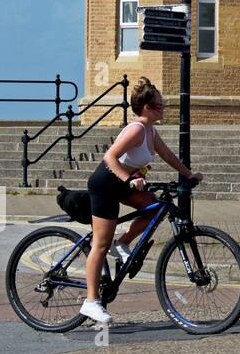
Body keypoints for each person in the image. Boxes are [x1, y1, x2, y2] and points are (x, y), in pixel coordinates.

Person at [81, 77, 202, 325]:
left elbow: (167, 154)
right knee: (100, 244)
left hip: (124, 182)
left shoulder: (150, 130)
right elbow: (110, 157)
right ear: (146, 107)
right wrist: (129, 179)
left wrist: (188, 174)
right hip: (106, 184)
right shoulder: (136, 129)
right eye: (159, 105)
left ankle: (123, 243)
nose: (163, 108)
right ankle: (91, 302)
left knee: (154, 209)